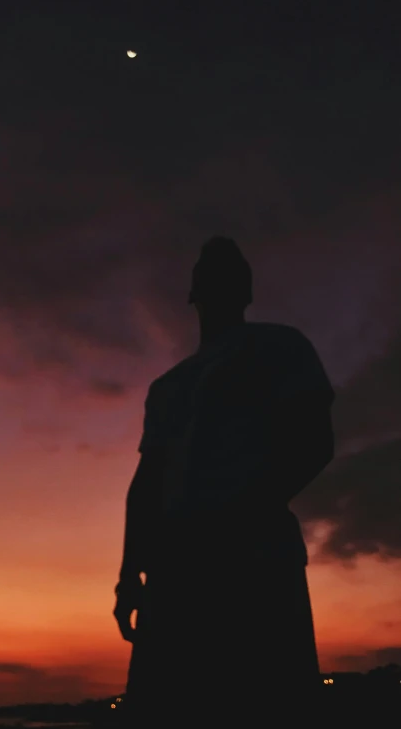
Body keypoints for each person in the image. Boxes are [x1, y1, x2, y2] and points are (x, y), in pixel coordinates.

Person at [113, 236, 335, 725]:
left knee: (269, 701)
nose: (219, 278)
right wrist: (129, 576)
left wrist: (244, 511)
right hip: (176, 573)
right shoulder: (168, 387)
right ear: (193, 291)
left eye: (231, 271)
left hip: (256, 560)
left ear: (248, 290)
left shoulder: (281, 347)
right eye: (209, 270)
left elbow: (316, 441)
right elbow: (145, 483)